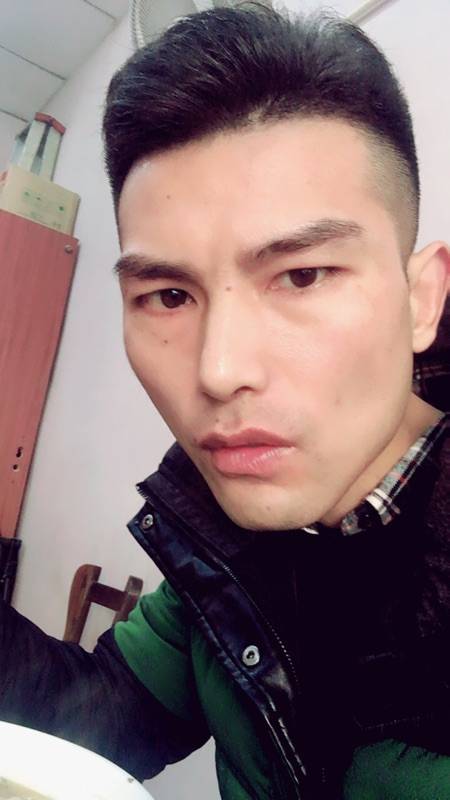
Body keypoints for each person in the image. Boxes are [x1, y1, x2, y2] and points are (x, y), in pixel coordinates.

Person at [1, 4, 449, 799]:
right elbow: (105, 714)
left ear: (423, 299)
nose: (218, 370)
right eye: (169, 295)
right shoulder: (221, 529)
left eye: (302, 276)